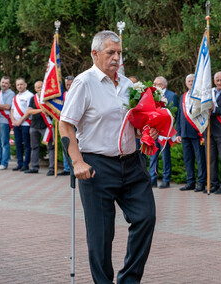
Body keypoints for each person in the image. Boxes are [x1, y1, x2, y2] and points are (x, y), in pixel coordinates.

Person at [59, 30, 157, 284]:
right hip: (96, 167)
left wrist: (148, 128)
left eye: (119, 53)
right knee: (101, 236)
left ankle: (129, 280)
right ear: (95, 54)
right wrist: (77, 161)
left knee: (146, 218)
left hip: (132, 164)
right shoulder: (84, 83)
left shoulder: (127, 85)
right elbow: (66, 125)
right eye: (110, 52)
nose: (116, 57)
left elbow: (135, 122)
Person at [176, 74, 206, 192]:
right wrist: (178, 132)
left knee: (200, 159)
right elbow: (179, 115)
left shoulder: (201, 96)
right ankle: (190, 182)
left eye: (193, 81)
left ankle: (201, 182)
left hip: (197, 132)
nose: (191, 82)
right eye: (189, 81)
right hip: (184, 133)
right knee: (188, 159)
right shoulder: (183, 96)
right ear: (185, 83)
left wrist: (203, 133)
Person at [148, 76, 178, 188]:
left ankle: (166, 179)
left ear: (163, 85)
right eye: (154, 83)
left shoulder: (172, 95)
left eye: (157, 83)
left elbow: (174, 113)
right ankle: (152, 179)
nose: (154, 85)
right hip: (154, 131)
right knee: (153, 156)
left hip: (165, 132)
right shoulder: (151, 95)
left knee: (165, 156)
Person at [23, 81, 55, 176]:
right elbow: (29, 111)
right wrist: (41, 110)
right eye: (38, 87)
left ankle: (52, 168)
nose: (40, 89)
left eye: (41, 87)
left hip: (46, 125)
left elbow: (53, 110)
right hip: (34, 125)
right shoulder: (33, 98)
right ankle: (34, 167)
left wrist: (46, 111)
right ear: (35, 89)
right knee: (34, 147)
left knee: (50, 147)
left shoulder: (49, 98)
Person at [10, 78, 34, 171]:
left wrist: (20, 121)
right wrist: (13, 121)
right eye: (18, 85)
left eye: (21, 84)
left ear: (25, 85)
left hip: (25, 124)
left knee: (27, 145)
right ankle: (19, 163)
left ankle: (26, 164)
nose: (19, 86)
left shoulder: (30, 95)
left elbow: (28, 111)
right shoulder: (15, 97)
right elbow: (12, 110)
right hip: (16, 124)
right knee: (18, 144)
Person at [58, 75, 75, 176]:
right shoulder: (63, 95)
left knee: (77, 146)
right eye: (67, 84)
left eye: (70, 84)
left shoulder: (78, 93)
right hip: (65, 124)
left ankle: (75, 166)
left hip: (76, 124)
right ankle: (67, 168)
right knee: (66, 145)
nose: (69, 86)